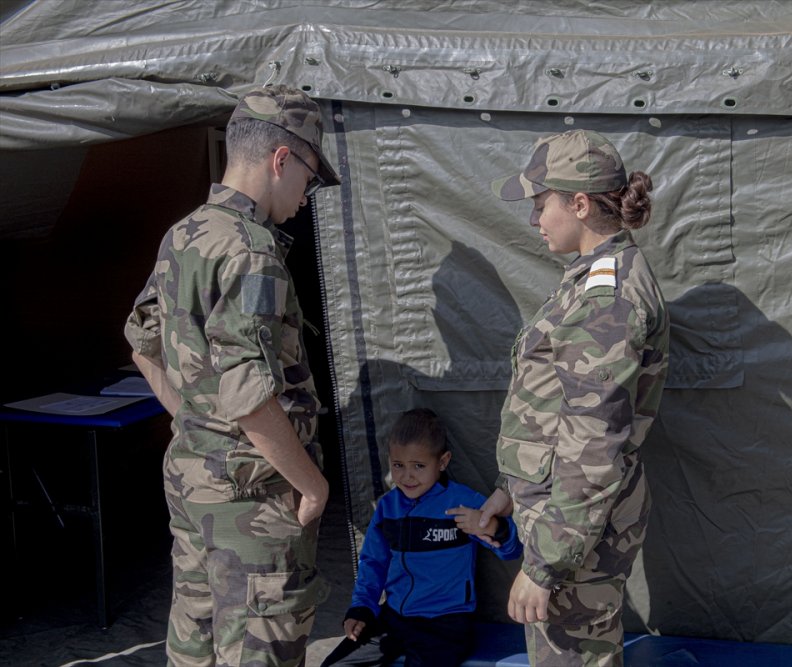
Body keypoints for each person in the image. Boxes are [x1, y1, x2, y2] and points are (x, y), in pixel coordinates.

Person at [124, 84, 340, 666]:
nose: (306, 197)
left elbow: (141, 338)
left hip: (194, 479)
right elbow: (248, 395)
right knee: (258, 648)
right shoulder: (254, 251)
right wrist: (314, 485)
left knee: (197, 644)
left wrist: (192, 418)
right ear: (280, 159)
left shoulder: (184, 233)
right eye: (310, 179)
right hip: (254, 493)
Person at [480, 129, 670, 667]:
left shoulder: (607, 298)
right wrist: (510, 489)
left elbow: (593, 448)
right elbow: (551, 404)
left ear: (579, 203)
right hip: (563, 514)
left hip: (573, 531)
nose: (535, 219)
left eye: (542, 204)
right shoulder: (590, 278)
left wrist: (545, 566)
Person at [321, 408, 522, 667]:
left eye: (418, 466)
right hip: (394, 618)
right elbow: (372, 563)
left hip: (445, 624)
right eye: (398, 465)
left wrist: (490, 526)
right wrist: (362, 609)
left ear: (442, 461)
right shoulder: (387, 508)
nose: (407, 476)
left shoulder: (463, 503)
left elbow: (512, 548)